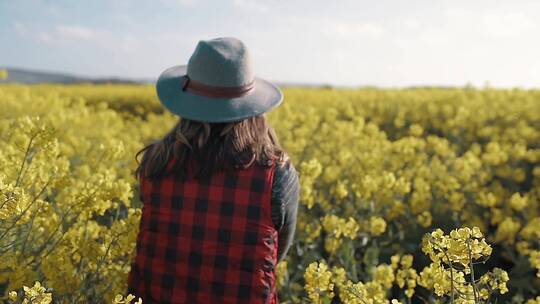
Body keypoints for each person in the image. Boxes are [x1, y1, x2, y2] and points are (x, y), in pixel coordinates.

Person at [126, 37, 300, 304]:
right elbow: (277, 252)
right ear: (252, 105)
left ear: (187, 102)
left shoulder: (156, 163)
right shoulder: (276, 174)